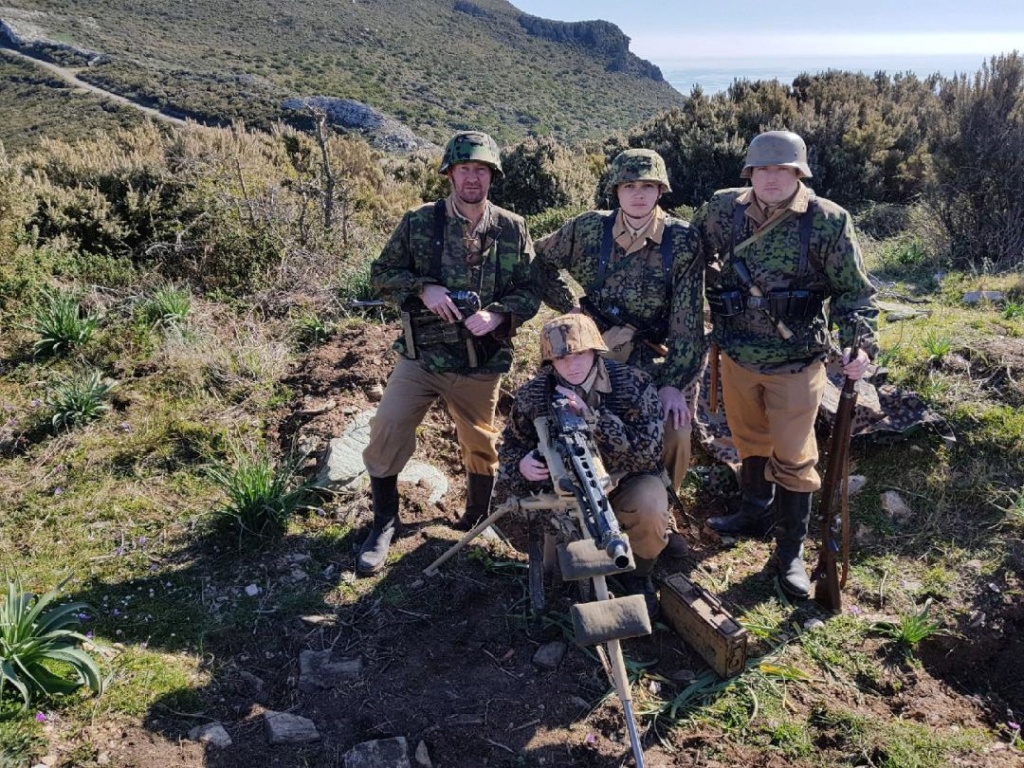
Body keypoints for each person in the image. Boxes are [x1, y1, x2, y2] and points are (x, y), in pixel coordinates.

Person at [694, 129, 878, 599]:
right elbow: (690, 257)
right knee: (749, 439)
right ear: (749, 173)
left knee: (795, 457)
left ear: (798, 173)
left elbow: (854, 294)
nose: (771, 178)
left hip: (796, 363)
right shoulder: (722, 209)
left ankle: (789, 552)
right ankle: (754, 512)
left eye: (782, 169)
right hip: (735, 355)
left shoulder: (826, 221)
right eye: (762, 169)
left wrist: (860, 347)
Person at [357, 130, 540, 576]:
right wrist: (424, 288)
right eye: (464, 169)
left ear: (491, 176)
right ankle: (384, 522)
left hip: (480, 365)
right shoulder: (420, 222)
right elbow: (381, 274)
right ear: (450, 174)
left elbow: (530, 290)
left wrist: (499, 316)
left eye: (481, 170)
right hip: (421, 359)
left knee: (481, 443)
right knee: (388, 427)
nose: (472, 178)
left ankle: (476, 518)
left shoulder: (512, 228)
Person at [531, 149, 705, 555]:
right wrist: (569, 305)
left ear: (661, 190)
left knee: (675, 431)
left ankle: (658, 510)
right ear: (616, 190)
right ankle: (589, 508)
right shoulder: (589, 229)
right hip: (595, 352)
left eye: (647, 186)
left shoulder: (681, 241)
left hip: (652, 358)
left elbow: (688, 324)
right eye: (630, 186)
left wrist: (673, 384)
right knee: (577, 422)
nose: (638, 195)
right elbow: (539, 260)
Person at [496, 313, 670, 617]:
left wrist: (595, 419)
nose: (572, 364)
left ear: (595, 351)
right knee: (560, 575)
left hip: (625, 482)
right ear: (550, 362)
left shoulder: (632, 384)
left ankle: (637, 575)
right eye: (562, 358)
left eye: (579, 354)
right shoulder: (532, 395)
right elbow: (509, 447)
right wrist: (522, 465)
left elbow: (650, 454)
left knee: (651, 507)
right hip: (562, 496)